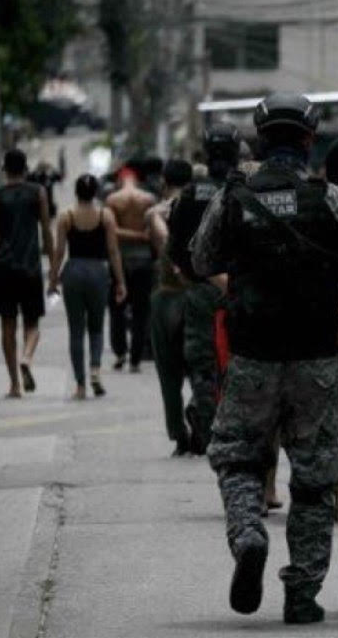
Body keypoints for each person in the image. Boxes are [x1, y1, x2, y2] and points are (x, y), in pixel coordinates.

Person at [191, 92, 338, 624]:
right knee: (316, 479)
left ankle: (249, 533)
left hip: (253, 355)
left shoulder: (233, 196)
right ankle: (302, 594)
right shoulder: (333, 199)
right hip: (317, 359)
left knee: (236, 457)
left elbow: (202, 258)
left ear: (259, 137)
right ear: (308, 138)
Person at [168, 125, 239, 455]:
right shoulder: (245, 190)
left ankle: (208, 429)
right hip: (242, 293)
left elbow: (176, 245)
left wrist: (190, 274)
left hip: (199, 289)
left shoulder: (190, 193)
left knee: (202, 364)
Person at [48, 175, 127, 399]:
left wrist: (53, 280)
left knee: (76, 330)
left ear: (76, 192)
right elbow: (113, 251)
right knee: (96, 327)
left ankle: (80, 386)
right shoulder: (105, 215)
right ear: (95, 193)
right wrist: (120, 281)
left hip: (73, 272)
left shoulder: (66, 216)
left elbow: (59, 252)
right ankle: (95, 369)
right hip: (98, 273)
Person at [0, 150, 54, 397]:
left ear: (4, 170)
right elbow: (46, 230)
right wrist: (53, 267)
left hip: (3, 269)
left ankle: (14, 384)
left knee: (7, 326)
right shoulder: (38, 192)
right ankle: (26, 357)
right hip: (30, 268)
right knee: (33, 323)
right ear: (25, 169)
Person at [146, 159, 194, 454]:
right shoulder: (204, 207)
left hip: (166, 296)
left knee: (169, 373)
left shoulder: (156, 213)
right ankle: (201, 415)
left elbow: (163, 243)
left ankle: (179, 433)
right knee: (204, 366)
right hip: (196, 294)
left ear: (164, 181)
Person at [105, 164, 157, 372]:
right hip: (144, 260)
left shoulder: (113, 200)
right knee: (141, 310)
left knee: (117, 307)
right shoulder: (148, 199)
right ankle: (135, 359)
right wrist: (142, 238)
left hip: (121, 261)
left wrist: (131, 236)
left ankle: (120, 352)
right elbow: (153, 231)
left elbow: (112, 232)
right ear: (136, 180)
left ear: (119, 180)